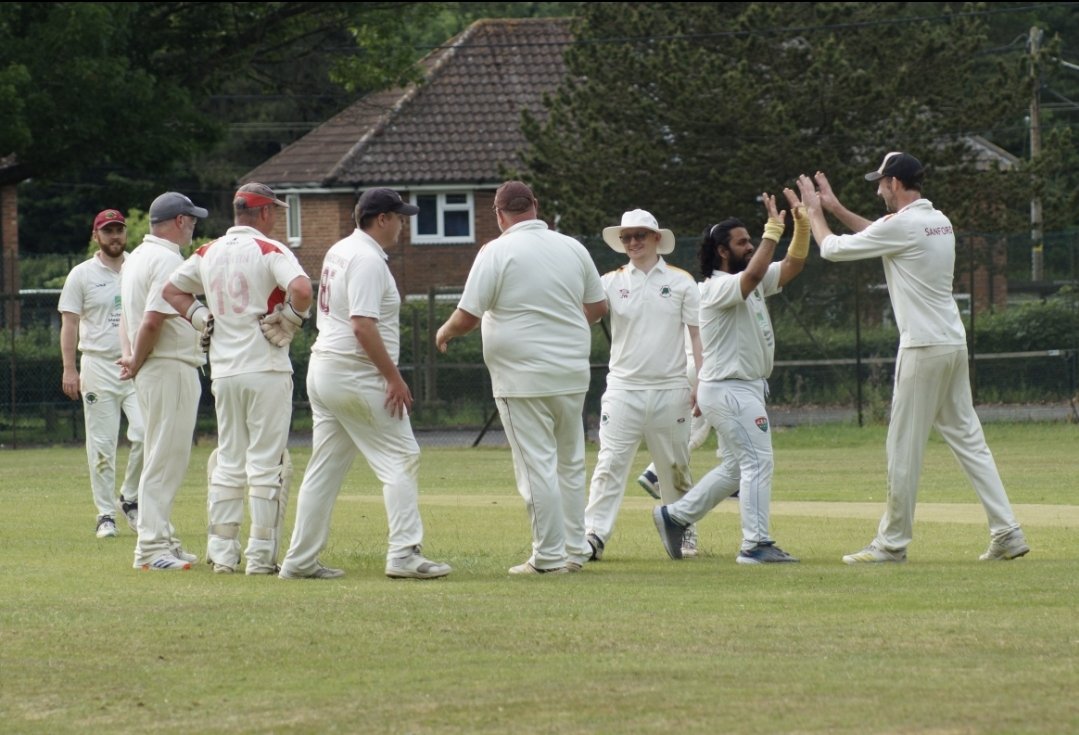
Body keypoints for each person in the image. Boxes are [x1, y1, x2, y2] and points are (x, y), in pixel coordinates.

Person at [796, 152, 1030, 564]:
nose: (877, 190)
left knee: (903, 447)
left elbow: (831, 249)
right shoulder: (936, 220)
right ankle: (1007, 531)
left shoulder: (905, 225)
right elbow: (878, 232)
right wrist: (834, 208)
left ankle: (891, 544)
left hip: (922, 347)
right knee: (970, 442)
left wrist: (815, 213)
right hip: (951, 344)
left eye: (880, 183)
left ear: (896, 184)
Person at [278, 187, 451, 581]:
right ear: (383, 219)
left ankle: (300, 560)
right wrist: (393, 377)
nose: (403, 226)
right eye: (400, 217)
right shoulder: (369, 260)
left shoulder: (340, 249)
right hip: (355, 372)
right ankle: (405, 554)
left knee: (324, 469)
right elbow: (362, 324)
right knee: (402, 456)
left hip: (325, 369)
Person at [436, 180, 607, 575]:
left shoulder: (495, 252)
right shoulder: (572, 247)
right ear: (536, 206)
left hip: (521, 378)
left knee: (536, 468)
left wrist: (444, 332)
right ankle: (574, 551)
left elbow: (467, 316)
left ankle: (547, 558)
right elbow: (598, 306)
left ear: (498, 215)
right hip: (571, 373)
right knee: (569, 463)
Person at [162, 183, 312, 575]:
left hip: (224, 371)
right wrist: (292, 320)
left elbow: (171, 290)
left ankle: (223, 554)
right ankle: (260, 557)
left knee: (229, 461)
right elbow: (301, 288)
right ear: (263, 213)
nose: (276, 217)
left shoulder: (207, 252)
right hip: (265, 367)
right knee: (265, 463)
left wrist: (200, 319)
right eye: (274, 211)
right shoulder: (269, 250)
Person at [653, 190, 807, 564]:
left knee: (738, 467)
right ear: (723, 251)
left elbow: (791, 266)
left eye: (753, 241)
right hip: (729, 390)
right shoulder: (716, 288)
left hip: (742, 389)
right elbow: (755, 272)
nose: (751, 246)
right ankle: (755, 544)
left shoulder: (747, 283)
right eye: (743, 242)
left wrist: (800, 226)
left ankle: (675, 516)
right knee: (759, 463)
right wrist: (773, 229)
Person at [583, 209, 701, 561]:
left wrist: (702, 381)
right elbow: (583, 315)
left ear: (655, 239)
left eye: (640, 236)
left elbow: (697, 338)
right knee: (609, 465)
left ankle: (682, 529)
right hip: (623, 389)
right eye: (627, 237)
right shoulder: (609, 282)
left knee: (675, 467)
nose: (633, 242)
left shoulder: (681, 282)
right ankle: (593, 536)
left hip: (671, 388)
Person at [118, 192, 209, 571]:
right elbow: (152, 319)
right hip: (167, 365)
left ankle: (164, 539)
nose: (194, 226)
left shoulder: (136, 257)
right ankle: (151, 549)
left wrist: (132, 359)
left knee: (163, 454)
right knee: (164, 459)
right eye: (191, 220)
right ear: (178, 221)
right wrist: (137, 361)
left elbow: (128, 320)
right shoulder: (168, 259)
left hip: (156, 368)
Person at [58, 209, 144, 538]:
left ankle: (130, 498)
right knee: (102, 446)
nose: (115, 237)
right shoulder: (81, 275)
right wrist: (69, 369)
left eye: (119, 230)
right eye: (108, 231)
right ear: (96, 236)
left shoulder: (139, 266)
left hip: (136, 365)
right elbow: (70, 324)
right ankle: (105, 514)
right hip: (97, 365)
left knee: (146, 434)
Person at [637, 327, 727, 507]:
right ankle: (654, 473)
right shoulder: (710, 299)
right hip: (704, 366)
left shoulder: (688, 301)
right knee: (703, 426)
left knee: (718, 420)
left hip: (690, 364)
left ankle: (733, 473)